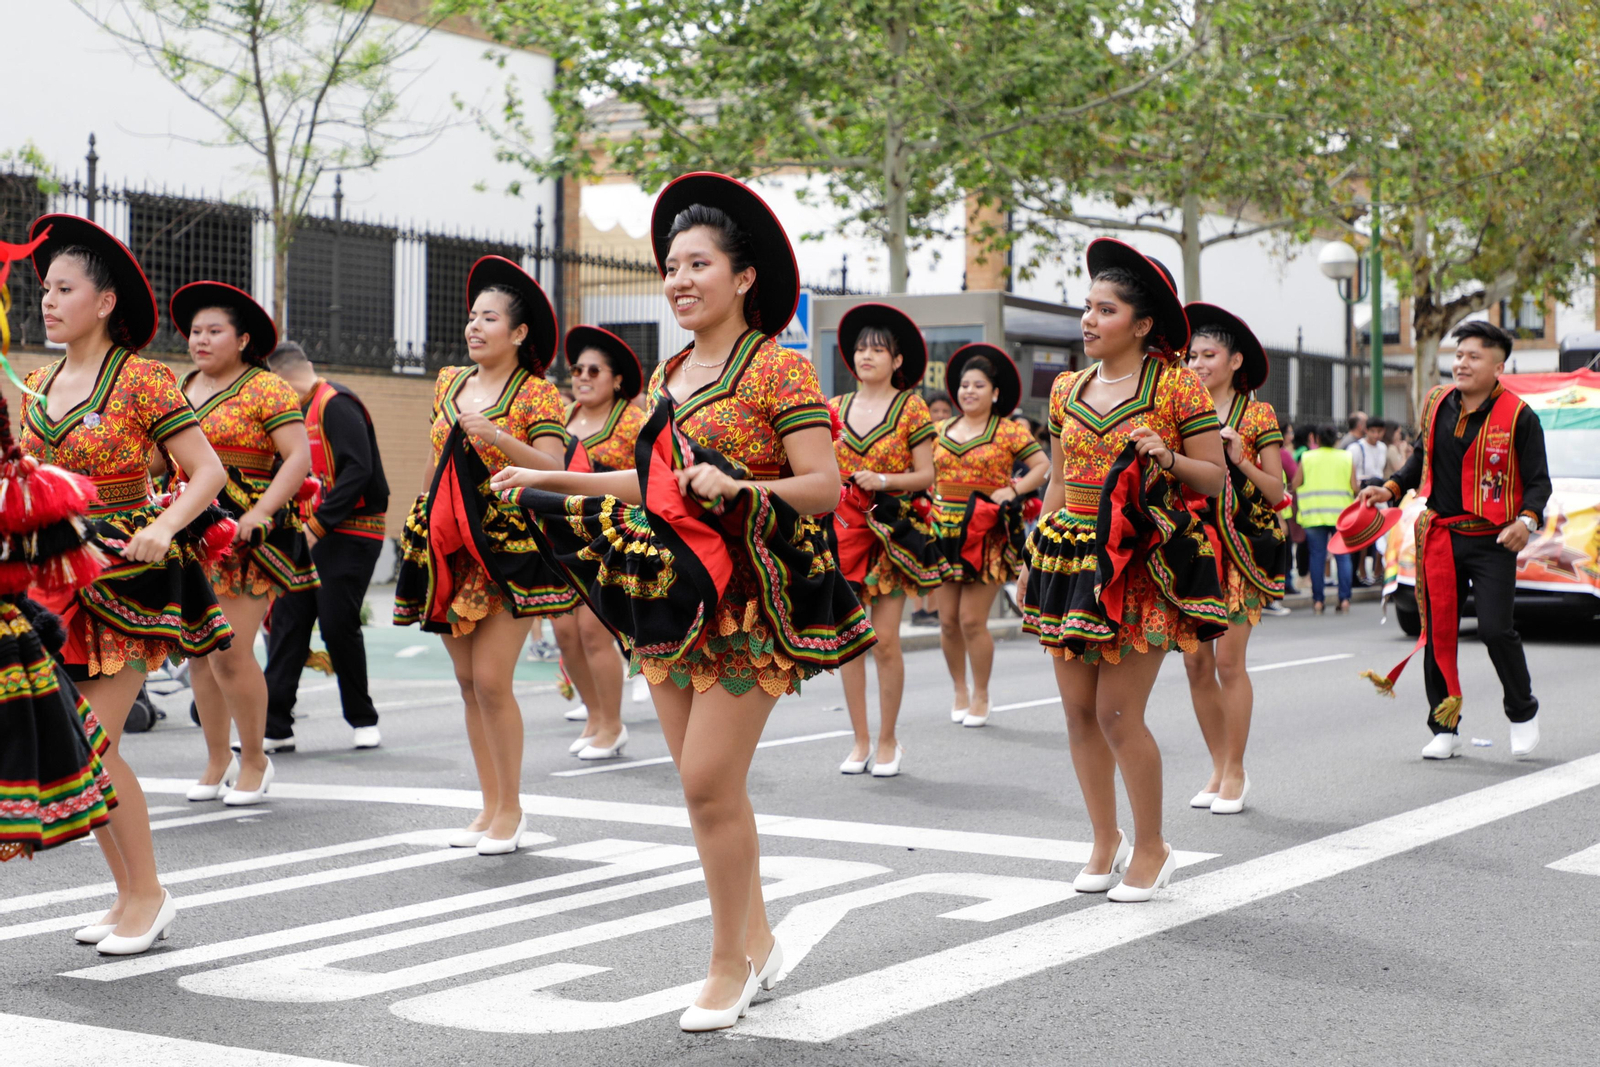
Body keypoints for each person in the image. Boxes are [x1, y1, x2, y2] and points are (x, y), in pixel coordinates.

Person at [493, 172, 871, 1032]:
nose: (680, 279)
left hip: (753, 597)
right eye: (670, 266)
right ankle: (760, 937)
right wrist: (551, 475)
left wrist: (742, 486)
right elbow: (656, 485)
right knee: (708, 793)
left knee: (707, 779)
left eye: (698, 263)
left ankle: (725, 963)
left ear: (743, 278)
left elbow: (822, 485)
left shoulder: (777, 369)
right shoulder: (669, 372)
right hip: (671, 595)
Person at [22, 214, 234, 954]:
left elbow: (209, 472)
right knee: (84, 750)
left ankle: (148, 892)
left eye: (64, 288)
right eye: (43, 288)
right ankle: (129, 894)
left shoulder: (141, 379)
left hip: (134, 580)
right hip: (59, 585)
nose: (46, 300)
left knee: (90, 742)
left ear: (105, 301)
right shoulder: (39, 384)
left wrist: (166, 525)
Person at [1020, 238, 1226, 902]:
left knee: (1115, 713)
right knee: (1078, 712)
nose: (1088, 320)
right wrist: (1031, 557)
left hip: (1138, 560)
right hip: (1068, 555)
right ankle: (1104, 839)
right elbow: (1056, 481)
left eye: (1105, 310)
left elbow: (1215, 480)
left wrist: (1166, 455)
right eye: (1087, 308)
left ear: (1141, 324)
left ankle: (1153, 845)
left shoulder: (1176, 385)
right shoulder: (1065, 387)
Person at [393, 255, 578, 855]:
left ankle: (513, 810)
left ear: (519, 333)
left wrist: (495, 435)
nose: (474, 327)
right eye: (472, 317)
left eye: (489, 318)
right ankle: (489, 805)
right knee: (468, 681)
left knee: (494, 681)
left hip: (509, 549)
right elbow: (434, 459)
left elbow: (556, 469)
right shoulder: (449, 382)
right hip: (448, 542)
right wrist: (418, 522)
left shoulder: (537, 393)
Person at [1357, 320, 1549, 759]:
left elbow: (1539, 483)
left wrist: (1527, 520)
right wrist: (1389, 488)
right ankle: (1444, 726)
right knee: (1437, 631)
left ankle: (1522, 712)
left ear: (1498, 366)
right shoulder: (1437, 403)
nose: (1461, 363)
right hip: (1440, 535)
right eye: (1458, 354)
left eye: (1473, 356)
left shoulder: (1520, 416)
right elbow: (1420, 461)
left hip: (1492, 540)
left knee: (1497, 630)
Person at [168, 283, 313, 803]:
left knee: (229, 650)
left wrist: (258, 512)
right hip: (190, 531)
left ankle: (255, 759)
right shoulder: (182, 386)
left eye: (214, 331)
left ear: (243, 338)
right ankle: (216, 760)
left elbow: (298, 459)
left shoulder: (266, 389)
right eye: (195, 332)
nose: (200, 340)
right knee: (199, 654)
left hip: (248, 536)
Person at [829, 302, 946, 777]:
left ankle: (888, 740)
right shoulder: (834, 408)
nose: (867, 356)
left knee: (886, 642)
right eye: (860, 349)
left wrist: (884, 479)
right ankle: (859, 740)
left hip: (890, 537)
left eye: (878, 349)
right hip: (842, 534)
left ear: (897, 361)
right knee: (848, 641)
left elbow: (927, 476)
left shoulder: (911, 407)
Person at [1180, 303, 1286, 815]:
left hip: (1242, 552)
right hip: (1188, 550)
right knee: (1196, 664)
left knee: (1227, 661)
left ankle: (1238, 771)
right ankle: (1218, 765)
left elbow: (1276, 491)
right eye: (1192, 355)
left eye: (1209, 354)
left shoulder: (1256, 414)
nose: (1198, 363)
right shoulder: (1178, 412)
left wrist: (1239, 456)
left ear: (1235, 360)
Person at [262, 341, 391, 751]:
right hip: (307, 531)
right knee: (287, 621)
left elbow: (359, 470)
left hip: (350, 531)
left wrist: (320, 523)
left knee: (337, 621)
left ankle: (362, 718)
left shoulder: (336, 403)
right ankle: (275, 725)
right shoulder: (294, 412)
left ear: (280, 378)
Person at [930, 344, 1048, 727]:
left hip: (986, 533)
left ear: (994, 393)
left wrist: (1013, 490)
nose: (969, 391)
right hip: (943, 532)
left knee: (970, 619)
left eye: (978, 385)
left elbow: (1043, 466)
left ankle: (981, 693)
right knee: (946, 620)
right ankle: (959, 689)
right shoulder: (938, 430)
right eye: (964, 385)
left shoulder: (1008, 431)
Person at [551, 325, 645, 760]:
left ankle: (613, 725)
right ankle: (593, 716)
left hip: (613, 543)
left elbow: (651, 481)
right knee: (565, 635)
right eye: (576, 370)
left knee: (592, 632)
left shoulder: (634, 422)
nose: (582, 377)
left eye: (594, 370)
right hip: (560, 538)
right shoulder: (561, 418)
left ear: (617, 378)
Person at [1299, 425, 1357, 612]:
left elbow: (1295, 483)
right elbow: (1355, 487)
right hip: (1342, 516)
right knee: (1343, 556)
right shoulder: (1346, 457)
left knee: (1317, 556)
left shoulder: (1307, 457)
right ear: (1336, 440)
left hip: (1314, 514)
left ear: (1317, 439)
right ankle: (1345, 599)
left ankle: (1318, 601)